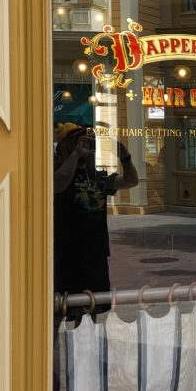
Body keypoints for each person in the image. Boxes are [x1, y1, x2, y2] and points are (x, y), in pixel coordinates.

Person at [53, 122, 139, 305]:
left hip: (96, 252)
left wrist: (125, 157)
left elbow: (131, 181)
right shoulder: (57, 172)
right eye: (75, 140)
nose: (83, 144)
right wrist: (76, 156)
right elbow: (56, 186)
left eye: (85, 139)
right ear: (63, 148)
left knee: (96, 305)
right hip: (67, 253)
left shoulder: (98, 176)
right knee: (68, 306)